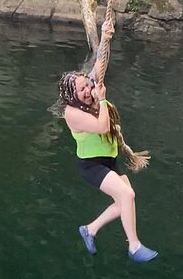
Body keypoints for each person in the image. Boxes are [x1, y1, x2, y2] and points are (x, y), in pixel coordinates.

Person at [57, 21, 157, 263]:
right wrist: (101, 100)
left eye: (87, 85)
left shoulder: (90, 90)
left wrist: (105, 36)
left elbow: (100, 64)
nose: (87, 90)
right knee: (127, 196)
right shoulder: (72, 113)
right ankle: (134, 247)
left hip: (108, 160)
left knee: (125, 198)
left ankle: (89, 230)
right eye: (82, 89)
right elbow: (102, 126)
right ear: (73, 95)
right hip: (91, 165)